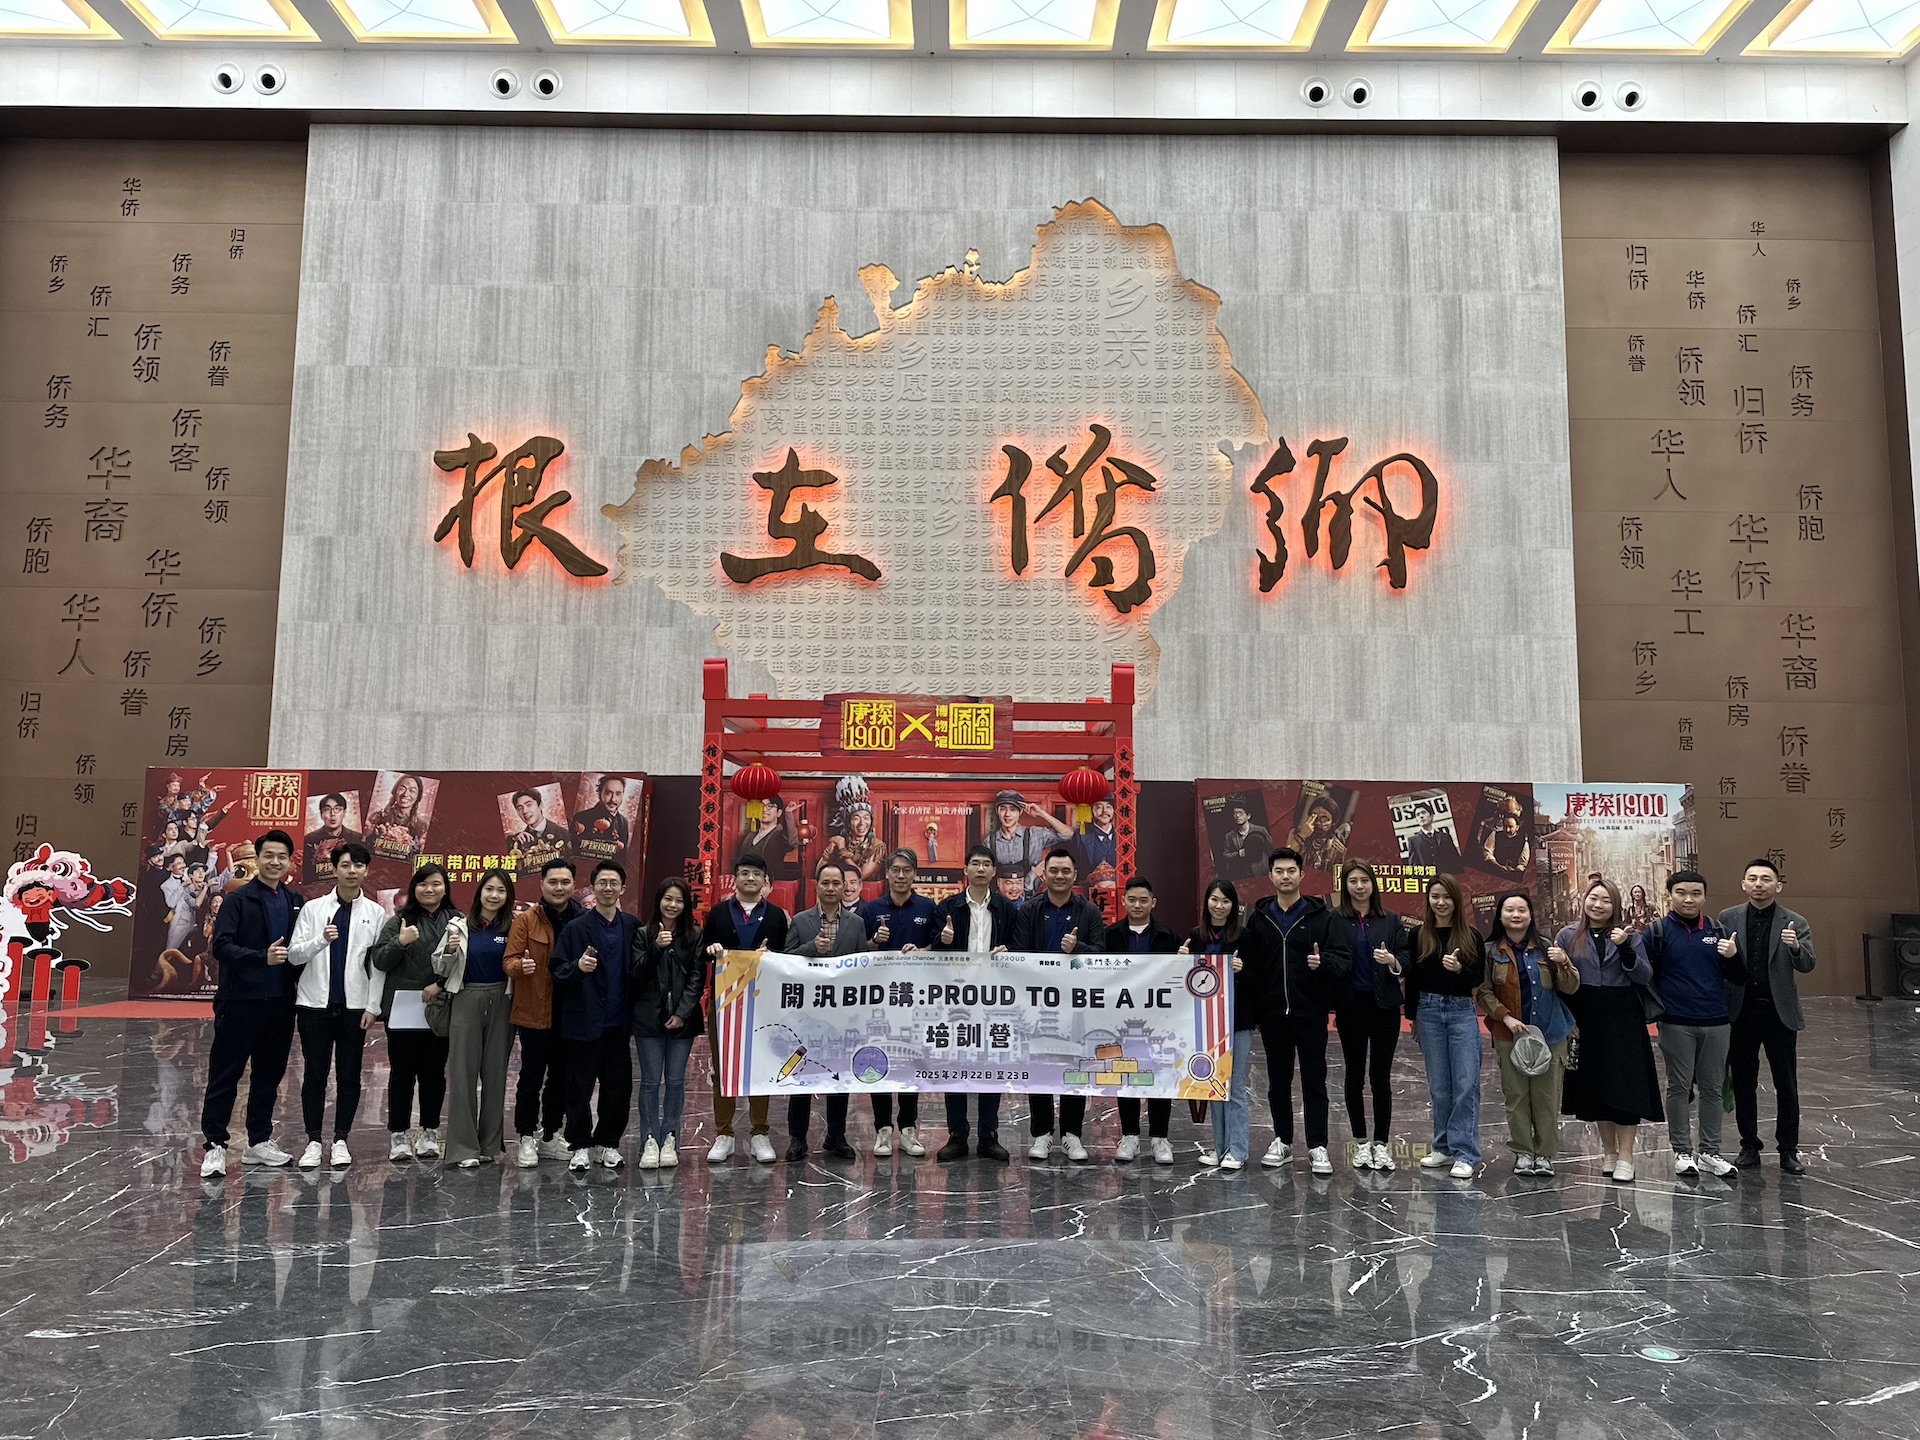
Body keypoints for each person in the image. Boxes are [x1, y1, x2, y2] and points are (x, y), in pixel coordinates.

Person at [198, 828, 304, 1176]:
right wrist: (262, 957)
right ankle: (215, 1145)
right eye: (268, 855)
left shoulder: (295, 901)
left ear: (289, 862)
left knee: (269, 1076)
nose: (275, 862)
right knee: (225, 1075)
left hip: (280, 1003)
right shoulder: (237, 900)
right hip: (240, 1002)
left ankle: (259, 1142)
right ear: (258, 859)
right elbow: (221, 946)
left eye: (281, 856)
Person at [1239, 847, 1350, 1176]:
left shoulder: (1322, 917)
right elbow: (1253, 966)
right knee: (1278, 1082)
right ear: (1270, 876)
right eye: (1279, 871)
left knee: (1315, 1081)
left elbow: (1341, 959)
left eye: (1291, 871)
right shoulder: (1259, 918)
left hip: (1311, 1013)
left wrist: (1323, 963)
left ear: (1302, 874)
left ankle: (1317, 1145)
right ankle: (1283, 1140)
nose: (1285, 876)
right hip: (1273, 1015)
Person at [1555, 878, 1661, 1183]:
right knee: (1598, 1089)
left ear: (1615, 905)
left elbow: (1644, 975)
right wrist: (1568, 1020)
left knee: (1627, 1088)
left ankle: (1627, 1156)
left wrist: (1625, 948)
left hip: (1624, 1018)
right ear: (1584, 901)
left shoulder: (1631, 936)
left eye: (1605, 900)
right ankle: (1609, 1153)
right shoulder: (1567, 936)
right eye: (1593, 898)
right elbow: (1559, 984)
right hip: (1586, 1018)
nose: (1598, 905)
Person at [285, 841, 381, 1169]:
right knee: (314, 1074)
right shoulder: (313, 909)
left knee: (349, 1075)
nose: (351, 871)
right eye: (345, 865)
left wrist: (373, 1006)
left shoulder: (375, 913)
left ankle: (341, 1139)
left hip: (355, 1008)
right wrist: (320, 940)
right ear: (334, 869)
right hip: (314, 1005)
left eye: (358, 865)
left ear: (366, 871)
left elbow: (378, 965)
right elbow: (294, 955)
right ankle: (313, 1140)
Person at [1719, 858, 1817, 1174]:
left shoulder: (1795, 921)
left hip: (1779, 1013)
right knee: (1743, 1081)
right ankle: (1749, 1146)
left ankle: (1788, 1150)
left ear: (1778, 886)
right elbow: (1720, 963)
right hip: (1741, 1011)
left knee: (1786, 1083)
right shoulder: (1728, 918)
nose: (1758, 884)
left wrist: (1796, 947)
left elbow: (1808, 964)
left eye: (1765, 879)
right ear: (1743, 884)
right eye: (1752, 878)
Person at [1011, 847, 1107, 1161]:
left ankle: (1071, 1135)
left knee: (1074, 1065)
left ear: (1074, 874)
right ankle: (1041, 1134)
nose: (1060, 876)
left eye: (1066, 871)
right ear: (1045, 874)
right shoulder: (1030, 909)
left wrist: (1077, 948)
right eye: (1054, 870)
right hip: (1038, 1003)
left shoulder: (1088, 911)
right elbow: (1020, 954)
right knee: (1039, 1064)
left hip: (1076, 1004)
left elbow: (1101, 955)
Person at [1645, 870, 1741, 1178]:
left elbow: (1738, 977)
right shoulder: (1657, 932)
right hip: (1676, 1022)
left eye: (1696, 893)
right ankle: (1683, 1152)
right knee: (1679, 1086)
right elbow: (1643, 976)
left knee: (1713, 1088)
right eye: (1682, 893)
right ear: (1669, 895)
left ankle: (1710, 1152)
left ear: (1704, 897)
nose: (1689, 899)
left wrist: (1733, 956)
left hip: (1716, 1021)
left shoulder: (1718, 930)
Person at [1476, 890, 1578, 1177]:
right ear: (1500, 916)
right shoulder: (1491, 951)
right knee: (1517, 1096)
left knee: (1547, 1098)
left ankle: (1544, 1155)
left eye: (1522, 910)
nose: (1516, 915)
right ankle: (1523, 1152)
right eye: (1509, 910)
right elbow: (1483, 992)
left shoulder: (1546, 948)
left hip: (1550, 1034)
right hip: (1510, 1035)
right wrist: (1505, 1016)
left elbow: (1570, 987)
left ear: (1531, 915)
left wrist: (1564, 963)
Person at [369, 863, 463, 1161]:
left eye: (436, 884)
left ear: (445, 888)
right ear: (414, 889)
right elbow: (379, 960)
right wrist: (400, 942)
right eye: (423, 884)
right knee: (401, 1073)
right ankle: (398, 1134)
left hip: (440, 1009)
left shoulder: (458, 921)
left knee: (434, 1074)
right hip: (403, 1012)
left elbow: (466, 965)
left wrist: (441, 984)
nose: (429, 889)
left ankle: (430, 1132)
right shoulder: (399, 920)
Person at [552, 860, 641, 1170]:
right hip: (583, 1020)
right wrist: (577, 967)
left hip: (618, 1023)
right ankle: (579, 1144)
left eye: (613, 883)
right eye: (602, 882)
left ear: (622, 889)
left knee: (618, 1087)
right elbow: (557, 971)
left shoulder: (632, 926)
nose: (607, 888)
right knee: (579, 1086)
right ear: (592, 887)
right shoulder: (576, 928)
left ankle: (608, 1143)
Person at [701, 853, 789, 1162]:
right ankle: (724, 1133)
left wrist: (771, 956)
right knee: (723, 1066)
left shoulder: (776, 915)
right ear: (735, 879)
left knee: (761, 1065)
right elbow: (703, 951)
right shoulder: (718, 913)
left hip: (763, 1003)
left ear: (765, 880)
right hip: (724, 1003)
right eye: (744, 873)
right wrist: (711, 949)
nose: (750, 878)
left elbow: (787, 959)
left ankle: (760, 1133)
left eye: (756, 874)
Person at [932, 844, 1017, 1163]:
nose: (980, 869)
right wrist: (943, 941)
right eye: (975, 863)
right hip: (956, 998)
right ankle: (957, 1135)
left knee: (991, 1063)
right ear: (965, 870)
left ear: (994, 871)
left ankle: (988, 1135)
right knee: (955, 1063)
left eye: (986, 864)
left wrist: (1010, 951)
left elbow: (1019, 947)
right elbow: (933, 952)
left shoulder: (1007, 909)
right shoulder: (948, 907)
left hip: (994, 998)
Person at [782, 861, 867, 1162]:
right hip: (806, 1013)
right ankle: (797, 1138)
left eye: (836, 883)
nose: (831, 888)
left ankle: (836, 1136)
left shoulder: (856, 924)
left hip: (842, 1014)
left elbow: (862, 965)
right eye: (825, 883)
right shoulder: (800, 921)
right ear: (816, 886)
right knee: (801, 1074)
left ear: (845, 887)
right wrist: (811, 947)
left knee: (839, 1075)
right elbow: (785, 960)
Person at [1404, 874, 1485, 1179]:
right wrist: (1412, 1016)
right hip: (1428, 1012)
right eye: (1435, 896)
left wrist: (1460, 969)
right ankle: (1443, 1146)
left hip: (1461, 1011)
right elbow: (1412, 979)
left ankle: (1465, 1152)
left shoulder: (1471, 935)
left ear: (1456, 900)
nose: (1441, 902)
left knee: (1465, 1084)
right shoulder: (1418, 935)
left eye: (1447, 897)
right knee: (1439, 1087)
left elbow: (1478, 978)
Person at [1331, 861, 1410, 1172]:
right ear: (1345, 885)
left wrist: (1392, 960)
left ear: (1373, 884)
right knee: (1354, 1075)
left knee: (1381, 1077)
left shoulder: (1389, 919)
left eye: (1364, 880)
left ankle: (1381, 1143)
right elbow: (1329, 957)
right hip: (1351, 1007)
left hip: (1384, 1007)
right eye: (1353, 881)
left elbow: (1406, 957)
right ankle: (1361, 1142)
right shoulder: (1335, 919)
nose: (1359, 886)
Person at [859, 847, 938, 1157]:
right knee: (878, 1060)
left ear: (915, 874)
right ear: (887, 874)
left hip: (915, 1000)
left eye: (907, 870)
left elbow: (939, 947)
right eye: (896, 870)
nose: (901, 875)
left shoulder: (928, 907)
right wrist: (873, 942)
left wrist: (923, 951)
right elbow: (858, 952)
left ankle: (908, 1129)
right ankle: (882, 1129)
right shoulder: (871, 909)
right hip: (879, 1003)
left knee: (910, 1062)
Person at [504, 858, 582, 1167]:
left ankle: (550, 1135)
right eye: (553, 882)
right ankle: (526, 1136)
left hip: (570, 1011)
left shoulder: (582, 919)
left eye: (565, 882)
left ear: (573, 885)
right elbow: (509, 960)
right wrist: (520, 967)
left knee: (560, 1078)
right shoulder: (526, 920)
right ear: (542, 884)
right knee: (531, 1077)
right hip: (535, 1011)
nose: (559, 888)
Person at [443, 868, 517, 1168]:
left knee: (496, 1075)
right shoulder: (459, 925)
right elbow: (440, 966)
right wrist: (448, 952)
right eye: (489, 889)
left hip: (503, 1001)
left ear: (508, 896)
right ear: (480, 892)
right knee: (462, 1074)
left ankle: (489, 1145)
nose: (494, 895)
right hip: (466, 998)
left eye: (501, 890)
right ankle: (463, 1148)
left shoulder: (514, 927)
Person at [1106, 876, 1181, 1164]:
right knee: (1125, 1073)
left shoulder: (1168, 936)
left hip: (1159, 1019)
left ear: (1153, 902)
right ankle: (1129, 1136)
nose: (1137, 905)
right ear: (1123, 901)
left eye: (1143, 900)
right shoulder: (1110, 935)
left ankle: (1160, 1138)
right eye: (1132, 900)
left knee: (1159, 1073)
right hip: (1121, 1018)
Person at [631, 878, 704, 1169]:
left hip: (682, 1021)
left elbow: (697, 977)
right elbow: (637, 974)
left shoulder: (694, 935)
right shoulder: (642, 934)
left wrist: (682, 1013)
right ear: (658, 901)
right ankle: (649, 1139)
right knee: (650, 1082)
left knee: (675, 1081)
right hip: (649, 1018)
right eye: (667, 899)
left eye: (679, 900)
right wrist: (656, 948)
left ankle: (670, 1136)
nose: (672, 905)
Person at [1183, 880, 1249, 1169]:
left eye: (1225, 901)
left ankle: (1239, 1150)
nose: (1219, 906)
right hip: (1207, 1022)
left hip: (1237, 1021)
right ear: (1206, 902)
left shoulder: (1245, 937)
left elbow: (1258, 977)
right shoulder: (1195, 936)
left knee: (1236, 1087)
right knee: (1215, 1085)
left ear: (1233, 906)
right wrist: (1180, 962)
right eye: (1214, 899)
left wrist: (1242, 970)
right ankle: (1220, 1148)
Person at [983, 790, 1072, 894]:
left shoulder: (1035, 835)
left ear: (1020, 812)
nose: (1007, 814)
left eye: (1013, 809)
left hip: (1033, 897)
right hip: (1001, 899)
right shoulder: (989, 842)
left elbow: (1068, 834)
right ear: (997, 811)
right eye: (1003, 809)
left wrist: (1042, 813)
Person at [737, 794, 800, 881]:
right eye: (761, 806)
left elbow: (792, 843)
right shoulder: (751, 835)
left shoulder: (779, 835)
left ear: (778, 813)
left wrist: (788, 813)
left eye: (769, 806)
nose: (764, 809)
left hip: (770, 882)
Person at [367, 773, 430, 859]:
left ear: (417, 797)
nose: (405, 794)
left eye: (412, 791)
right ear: (395, 791)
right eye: (402, 788)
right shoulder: (377, 818)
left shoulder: (422, 827)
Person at [571, 776, 631, 863]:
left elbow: (622, 858)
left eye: (618, 794)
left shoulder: (623, 822)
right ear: (599, 793)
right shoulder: (581, 817)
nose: (613, 799)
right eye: (608, 793)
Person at [303, 793, 362, 879]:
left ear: (344, 813)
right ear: (321, 814)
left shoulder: (357, 839)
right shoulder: (308, 840)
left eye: (337, 809)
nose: (332, 814)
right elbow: (306, 874)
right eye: (327, 810)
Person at [507, 790, 567, 863]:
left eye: (529, 805)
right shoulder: (517, 841)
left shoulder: (563, 833)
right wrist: (514, 841)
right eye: (520, 808)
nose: (524, 811)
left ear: (540, 805)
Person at [1288, 801, 1347, 873]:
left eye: (1324, 818)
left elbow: (1336, 877)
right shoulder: (1295, 833)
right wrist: (1302, 836)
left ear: (1333, 823)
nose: (1318, 822)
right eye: (1314, 816)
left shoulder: (1339, 852)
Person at [1074, 796, 1120, 888]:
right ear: (1091, 811)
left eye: (1108, 807)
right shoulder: (1081, 835)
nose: (1104, 811)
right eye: (1099, 807)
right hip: (1088, 889)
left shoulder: (1122, 835)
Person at [1403, 804, 1463, 873]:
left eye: (1423, 812)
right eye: (1418, 815)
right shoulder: (1413, 840)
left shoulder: (1445, 836)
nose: (1421, 816)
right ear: (1416, 820)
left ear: (1431, 816)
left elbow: (1455, 860)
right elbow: (1414, 867)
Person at [1219, 804, 1271, 875]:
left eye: (1240, 813)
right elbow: (1225, 856)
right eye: (1235, 813)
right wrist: (1239, 854)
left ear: (1248, 816)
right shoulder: (1229, 836)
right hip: (1243, 873)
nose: (1237, 816)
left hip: (1262, 870)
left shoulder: (1261, 830)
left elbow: (1271, 849)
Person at [1481, 810, 1530, 881]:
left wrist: (1516, 869)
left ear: (1517, 827)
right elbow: (1487, 852)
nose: (1507, 830)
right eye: (1505, 826)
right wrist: (1497, 866)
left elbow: (1523, 863)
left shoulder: (1523, 841)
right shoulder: (1495, 835)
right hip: (1494, 872)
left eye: (1510, 827)